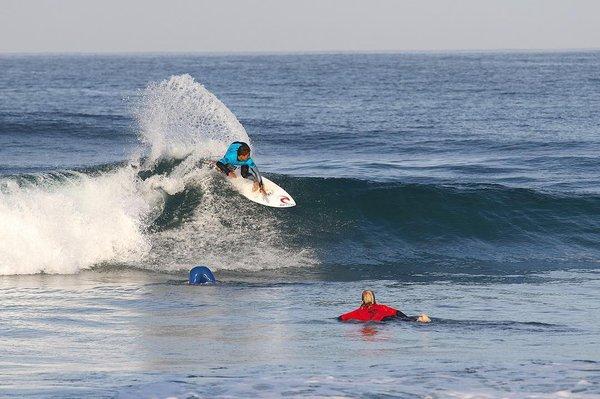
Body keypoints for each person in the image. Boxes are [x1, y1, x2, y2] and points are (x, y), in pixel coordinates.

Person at [338, 290, 431, 323]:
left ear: (362, 300)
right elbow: (397, 312)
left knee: (401, 321)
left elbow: (342, 317)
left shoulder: (359, 312)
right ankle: (418, 318)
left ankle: (417, 320)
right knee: (404, 319)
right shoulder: (382, 307)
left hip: (383, 321)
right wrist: (406, 317)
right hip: (389, 317)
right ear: (374, 298)